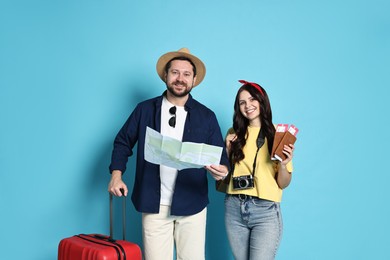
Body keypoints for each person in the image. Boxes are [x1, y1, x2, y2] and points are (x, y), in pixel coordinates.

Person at [108, 47, 230, 260]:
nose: (180, 79)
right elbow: (122, 142)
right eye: (174, 72)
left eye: (186, 74)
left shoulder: (207, 116)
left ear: (194, 80)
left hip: (193, 205)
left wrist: (223, 171)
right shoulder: (144, 110)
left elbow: (221, 159)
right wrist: (116, 176)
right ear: (165, 75)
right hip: (154, 205)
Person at [222, 80, 295, 260]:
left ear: (262, 101)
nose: (248, 106)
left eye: (252, 99)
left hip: (265, 210)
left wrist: (284, 164)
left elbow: (283, 184)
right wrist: (227, 152)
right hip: (234, 206)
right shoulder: (233, 133)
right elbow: (224, 175)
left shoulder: (278, 133)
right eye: (242, 102)